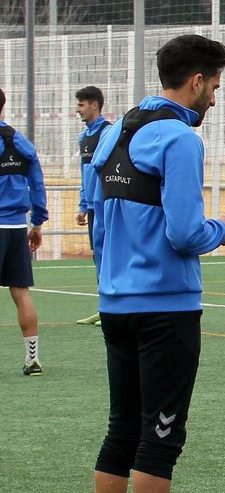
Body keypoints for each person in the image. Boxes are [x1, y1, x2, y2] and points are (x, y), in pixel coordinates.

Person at [81, 34, 225, 493]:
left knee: (121, 427)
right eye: (215, 87)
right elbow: (183, 233)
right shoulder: (179, 139)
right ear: (196, 81)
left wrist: (114, 279)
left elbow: (98, 227)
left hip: (115, 303)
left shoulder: (112, 134)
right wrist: (222, 229)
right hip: (166, 307)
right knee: (161, 435)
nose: (215, 100)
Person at [0, 88, 48, 375]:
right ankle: (33, 359)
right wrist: (38, 223)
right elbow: (37, 184)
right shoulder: (21, 142)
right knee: (22, 293)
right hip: (17, 226)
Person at [74, 86, 111, 326]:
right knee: (98, 256)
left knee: (110, 255)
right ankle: (104, 307)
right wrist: (82, 203)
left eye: (81, 105)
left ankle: (113, 308)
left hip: (106, 206)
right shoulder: (83, 137)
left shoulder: (107, 133)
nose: (78, 110)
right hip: (91, 207)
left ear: (94, 105)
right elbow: (84, 172)